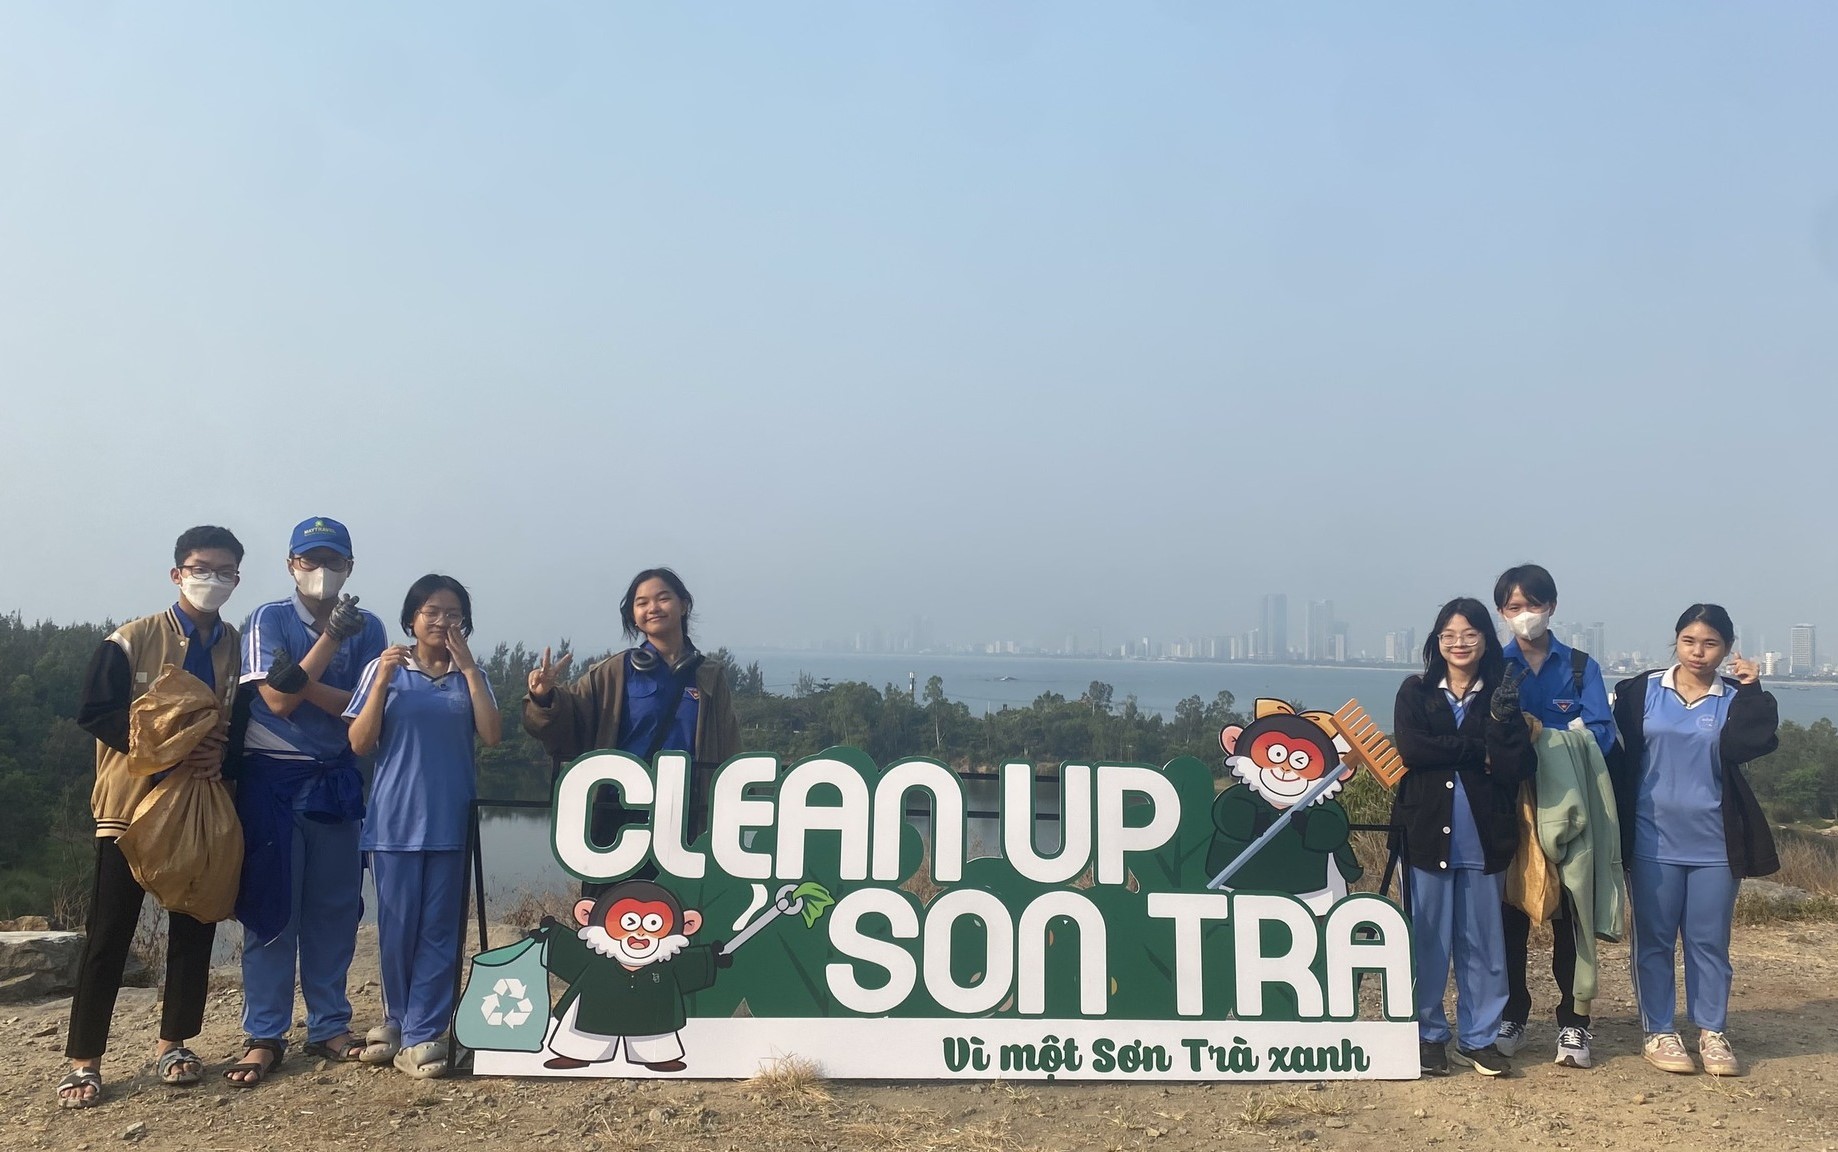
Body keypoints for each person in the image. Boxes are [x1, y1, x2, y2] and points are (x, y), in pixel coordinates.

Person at [56, 527, 246, 1107]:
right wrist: (165, 747)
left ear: (236, 580)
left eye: (224, 572)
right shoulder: (132, 639)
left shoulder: (233, 644)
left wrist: (222, 753)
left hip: (199, 805)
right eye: (200, 567)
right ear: (176, 573)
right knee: (110, 932)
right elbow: (95, 710)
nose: (211, 580)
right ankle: (84, 1059)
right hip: (129, 807)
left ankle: (175, 1043)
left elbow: (239, 721)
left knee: (194, 919)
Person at [226, 517, 388, 1086]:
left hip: (338, 778)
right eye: (310, 560)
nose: (322, 571)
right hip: (272, 777)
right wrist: (329, 641)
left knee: (335, 910)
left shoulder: (372, 628)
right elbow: (274, 700)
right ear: (292, 565)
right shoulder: (268, 619)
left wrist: (301, 679)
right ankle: (264, 1033)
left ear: (349, 567)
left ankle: (329, 1025)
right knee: (272, 908)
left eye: (333, 561)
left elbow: (365, 705)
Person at [343, 575, 503, 1078]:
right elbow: (359, 742)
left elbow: (493, 736)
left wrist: (471, 670)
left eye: (453, 614)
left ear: (466, 624)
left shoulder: (469, 675)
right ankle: (398, 1019)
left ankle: (423, 1034)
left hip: (452, 821)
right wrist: (384, 683)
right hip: (393, 821)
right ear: (411, 617)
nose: (442, 622)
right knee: (396, 931)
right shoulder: (384, 667)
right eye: (431, 611)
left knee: (441, 932)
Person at [1610, 604, 1778, 1077]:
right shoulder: (1642, 691)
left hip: (1715, 844)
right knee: (1655, 941)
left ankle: (1712, 1031)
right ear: (1676, 642)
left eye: (1710, 644)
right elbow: (1613, 745)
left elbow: (1755, 742)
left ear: (1726, 649)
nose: (1698, 652)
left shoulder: (1733, 698)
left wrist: (1751, 688)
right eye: (1689, 641)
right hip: (1651, 840)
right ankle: (1659, 1029)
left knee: (1709, 941)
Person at [522, 567, 741, 892]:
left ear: (683, 605)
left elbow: (729, 748)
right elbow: (568, 720)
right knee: (611, 920)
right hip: (619, 819)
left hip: (686, 818)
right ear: (634, 617)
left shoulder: (709, 677)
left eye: (662, 598)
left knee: (681, 918)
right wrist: (543, 696)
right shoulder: (614, 672)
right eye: (642, 602)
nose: (653, 607)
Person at [1391, 597, 1536, 1077]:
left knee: (1483, 943)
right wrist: (1479, 750)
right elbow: (1411, 749)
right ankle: (1427, 1032)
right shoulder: (1416, 692)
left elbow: (1516, 766)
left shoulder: (1502, 696)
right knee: (1427, 939)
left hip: (1483, 837)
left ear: (1485, 640)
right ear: (1437, 642)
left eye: (1470, 634)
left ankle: (1479, 1037)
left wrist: (1497, 730)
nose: (1459, 643)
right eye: (1450, 635)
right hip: (1425, 834)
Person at [1491, 562, 1615, 1069]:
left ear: (1552, 607)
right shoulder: (1494, 666)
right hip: (1512, 808)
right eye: (1514, 607)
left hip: (1572, 808)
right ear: (1502, 612)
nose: (1525, 616)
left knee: (1572, 914)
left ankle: (1574, 1023)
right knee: (1510, 913)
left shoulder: (1580, 667)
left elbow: (1603, 734)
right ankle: (1512, 1012)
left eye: (1533, 605)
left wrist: (1547, 737)